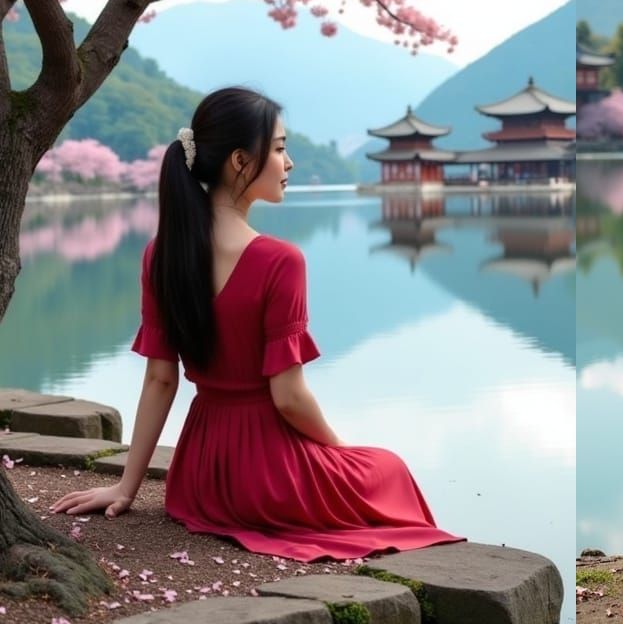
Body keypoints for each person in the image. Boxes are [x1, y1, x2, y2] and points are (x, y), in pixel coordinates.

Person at [50, 88, 462, 561]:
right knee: (387, 467)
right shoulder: (280, 260)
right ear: (241, 161)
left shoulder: (160, 254)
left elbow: (160, 379)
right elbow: (287, 398)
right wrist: (339, 448)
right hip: (267, 477)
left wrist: (127, 487)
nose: (290, 164)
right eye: (282, 148)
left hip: (199, 477)